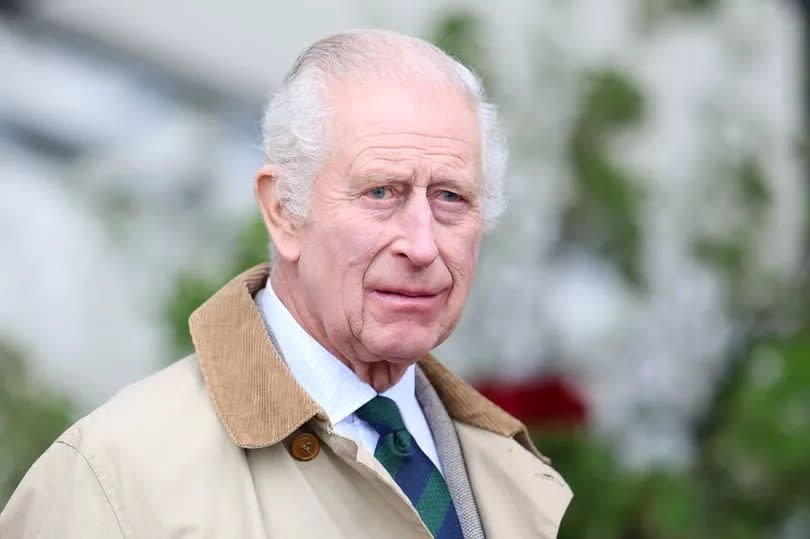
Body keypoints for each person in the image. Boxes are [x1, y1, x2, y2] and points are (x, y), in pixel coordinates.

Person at [0, 29, 571, 538]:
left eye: (450, 196)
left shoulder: (504, 470)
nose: (421, 245)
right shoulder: (113, 480)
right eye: (381, 192)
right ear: (282, 211)